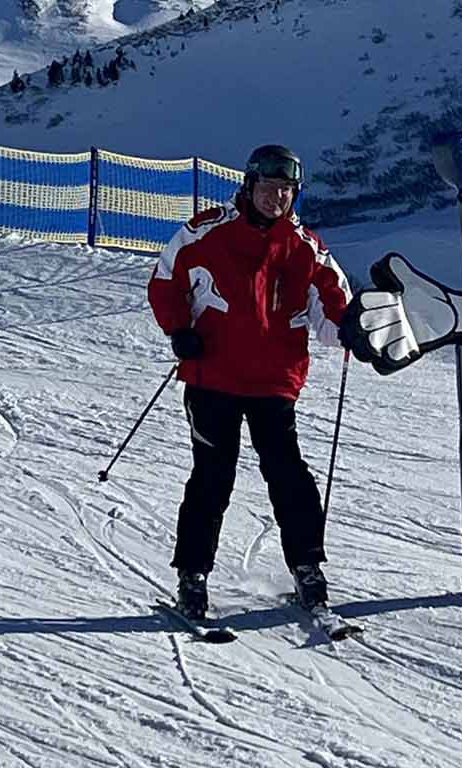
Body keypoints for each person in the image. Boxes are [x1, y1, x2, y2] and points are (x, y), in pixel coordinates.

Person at [147, 143, 355, 619]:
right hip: (213, 374)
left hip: (274, 379)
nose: (276, 198)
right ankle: (193, 575)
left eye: (286, 191)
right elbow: (164, 280)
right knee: (213, 476)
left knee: (289, 475)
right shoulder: (207, 232)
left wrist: (353, 332)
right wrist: (180, 328)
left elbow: (334, 309)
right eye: (268, 188)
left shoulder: (306, 248)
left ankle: (307, 568)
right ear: (249, 186)